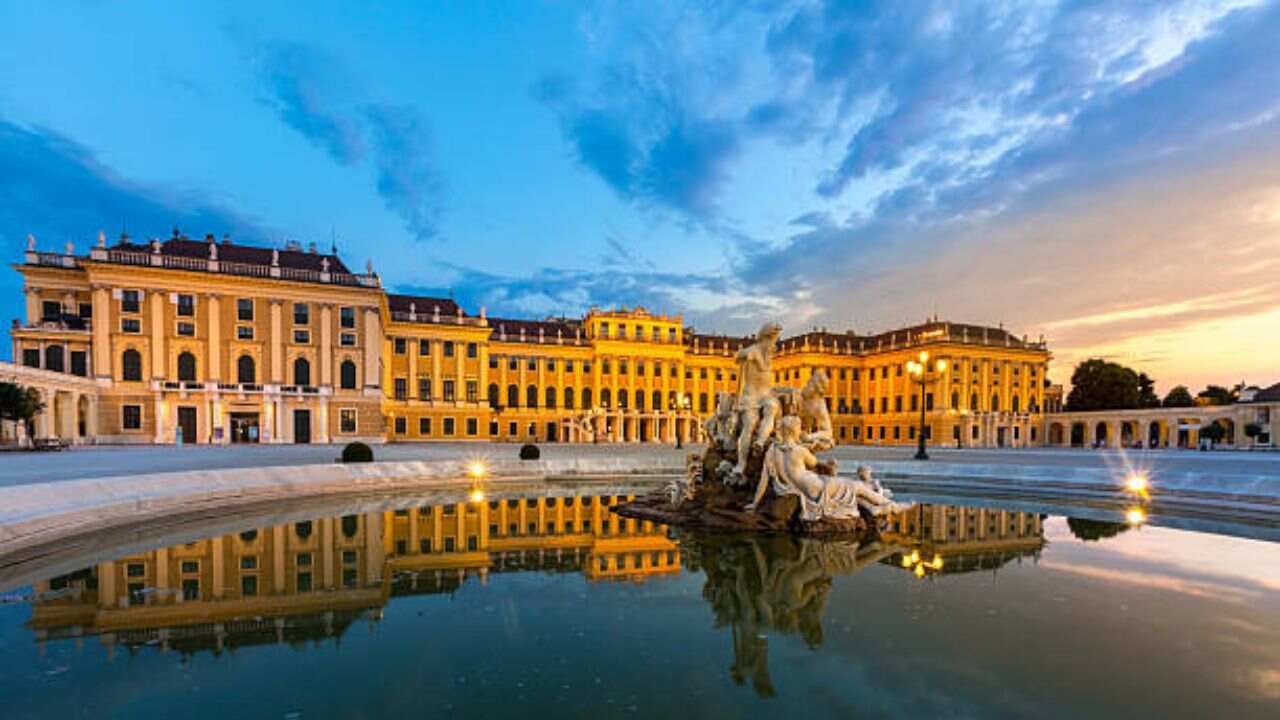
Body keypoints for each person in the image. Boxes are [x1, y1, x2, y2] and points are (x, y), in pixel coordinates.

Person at [732, 322, 783, 480]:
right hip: (750, 396)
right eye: (772, 340)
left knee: (772, 409)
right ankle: (741, 464)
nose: (773, 345)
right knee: (750, 424)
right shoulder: (754, 351)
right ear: (764, 338)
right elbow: (738, 356)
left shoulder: (769, 356)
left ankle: (760, 442)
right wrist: (742, 355)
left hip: (766, 395)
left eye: (775, 340)